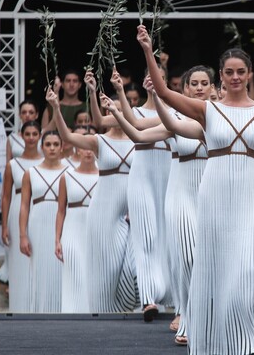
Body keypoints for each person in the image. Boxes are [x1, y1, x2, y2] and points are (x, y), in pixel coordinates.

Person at [137, 25, 254, 354]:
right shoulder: (208, 111)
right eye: (229, 72)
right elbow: (164, 91)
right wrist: (148, 51)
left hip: (253, 196)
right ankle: (223, 340)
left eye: (240, 72)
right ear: (221, 76)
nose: (235, 77)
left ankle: (251, 338)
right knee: (217, 268)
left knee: (251, 269)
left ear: (249, 75)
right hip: (215, 195)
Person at [48, 82, 140, 313]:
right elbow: (66, 134)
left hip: (133, 210)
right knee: (105, 268)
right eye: (111, 109)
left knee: (132, 266)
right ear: (106, 113)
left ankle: (132, 308)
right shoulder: (99, 141)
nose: (115, 113)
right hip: (103, 211)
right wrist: (56, 108)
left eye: (120, 108)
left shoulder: (140, 139)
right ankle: (103, 314)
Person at [110, 65, 174, 322]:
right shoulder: (134, 110)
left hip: (168, 172)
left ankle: (170, 294)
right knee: (145, 235)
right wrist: (119, 92)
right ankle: (149, 298)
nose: (152, 78)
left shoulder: (176, 112)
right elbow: (133, 125)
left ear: (164, 79)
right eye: (148, 74)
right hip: (142, 173)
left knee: (167, 235)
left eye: (157, 74)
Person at [19, 131, 67, 312]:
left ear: (62, 147)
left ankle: (64, 310)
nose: (52, 148)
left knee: (61, 268)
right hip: (38, 223)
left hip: (62, 222)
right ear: (42, 147)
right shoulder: (30, 173)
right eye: (48, 144)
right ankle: (40, 311)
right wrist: (23, 235)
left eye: (56, 144)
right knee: (40, 269)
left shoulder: (70, 171)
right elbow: (24, 205)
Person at [0, 121, 43, 312]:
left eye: (35, 134)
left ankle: (39, 306)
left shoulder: (45, 161)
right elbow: (6, 195)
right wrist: (4, 226)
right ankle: (18, 306)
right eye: (28, 134)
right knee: (19, 260)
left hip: (40, 210)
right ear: (22, 137)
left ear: (40, 136)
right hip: (18, 210)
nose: (32, 138)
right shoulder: (13, 164)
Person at [55, 141, 98, 313]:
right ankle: (72, 312)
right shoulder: (67, 176)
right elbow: (60, 211)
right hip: (72, 229)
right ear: (78, 149)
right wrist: (57, 239)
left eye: (91, 148)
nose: (88, 152)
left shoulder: (104, 175)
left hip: (95, 228)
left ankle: (93, 310)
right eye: (84, 147)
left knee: (92, 273)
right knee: (74, 270)